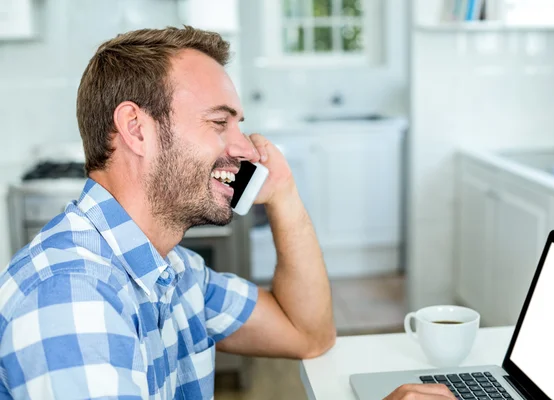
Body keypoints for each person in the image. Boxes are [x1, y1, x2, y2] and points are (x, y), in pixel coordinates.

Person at [0, 26, 336, 399]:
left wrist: (284, 194)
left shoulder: (175, 272)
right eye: (219, 122)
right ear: (136, 130)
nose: (250, 150)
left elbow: (307, 333)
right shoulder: (72, 295)